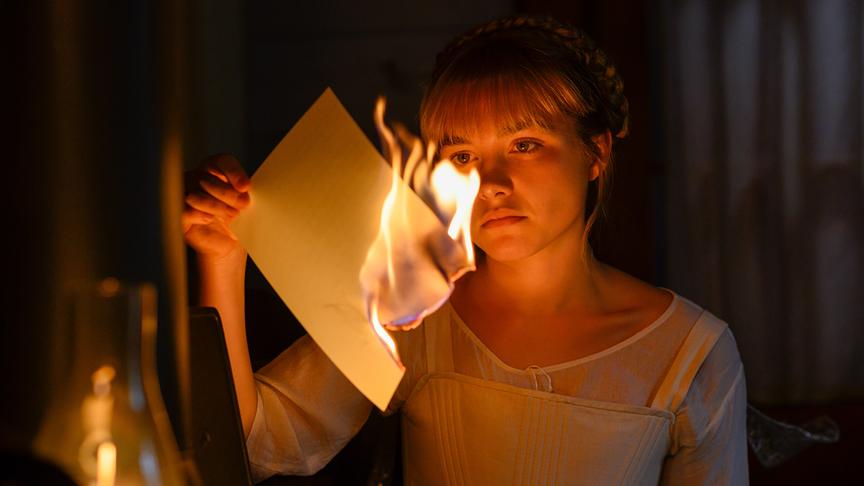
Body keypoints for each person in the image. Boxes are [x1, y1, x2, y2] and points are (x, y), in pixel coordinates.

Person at [183, 16, 749, 485]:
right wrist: (223, 257)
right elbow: (253, 445)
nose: (491, 182)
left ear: (595, 152)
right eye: (461, 156)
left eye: (525, 144)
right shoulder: (413, 314)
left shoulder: (690, 355)